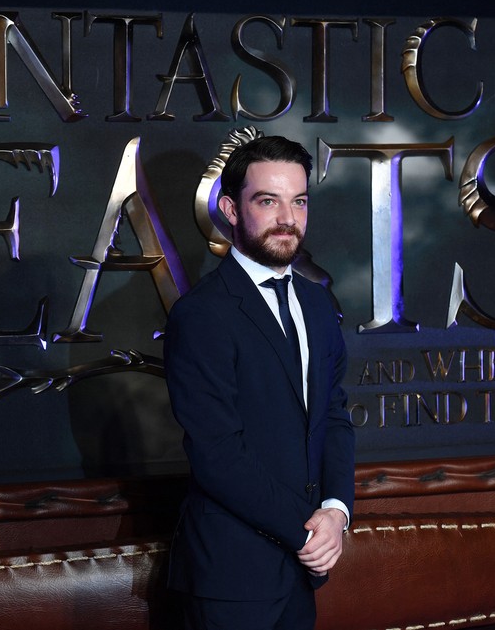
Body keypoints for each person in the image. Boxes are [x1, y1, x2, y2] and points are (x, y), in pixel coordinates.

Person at [164, 134, 355, 630]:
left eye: (299, 201)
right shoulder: (201, 314)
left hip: (303, 572)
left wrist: (336, 511)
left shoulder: (318, 304)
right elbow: (217, 453)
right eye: (268, 201)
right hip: (230, 579)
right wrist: (306, 532)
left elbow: (333, 416)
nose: (287, 218)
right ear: (231, 209)